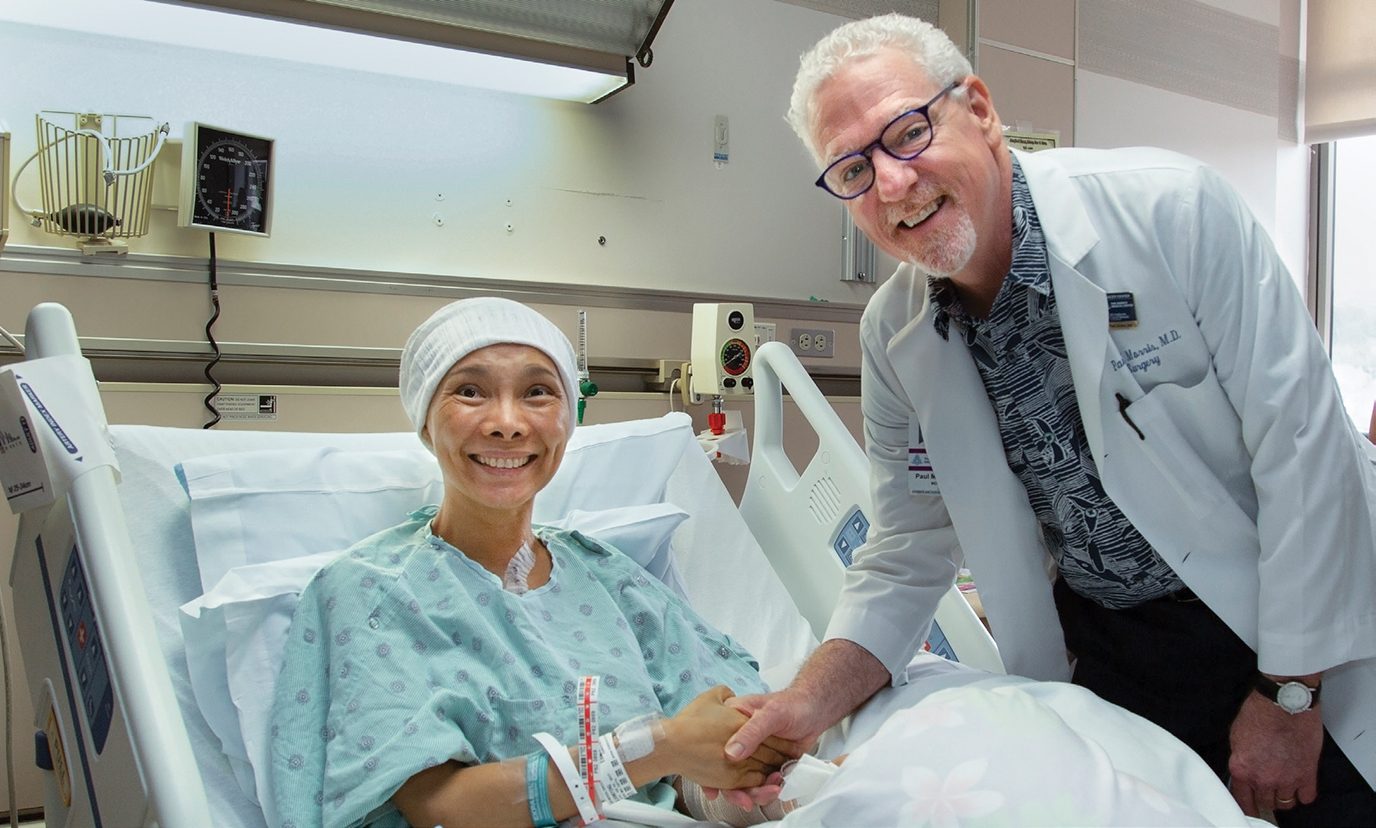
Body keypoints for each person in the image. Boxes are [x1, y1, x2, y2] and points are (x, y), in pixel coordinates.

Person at [722, 13, 1376, 826]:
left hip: (1300, 622)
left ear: (981, 110)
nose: (891, 184)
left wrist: (1288, 692)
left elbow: (1307, 455)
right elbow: (905, 552)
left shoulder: (1174, 211)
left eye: (906, 132)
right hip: (1119, 658)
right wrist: (805, 705)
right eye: (851, 170)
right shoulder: (894, 337)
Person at [266, 297, 796, 828]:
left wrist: (750, 794)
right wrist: (655, 749)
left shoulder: (606, 578)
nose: (507, 423)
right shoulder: (374, 593)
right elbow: (440, 808)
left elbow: (698, 759)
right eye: (470, 391)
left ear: (568, 419)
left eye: (537, 392)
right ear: (426, 420)